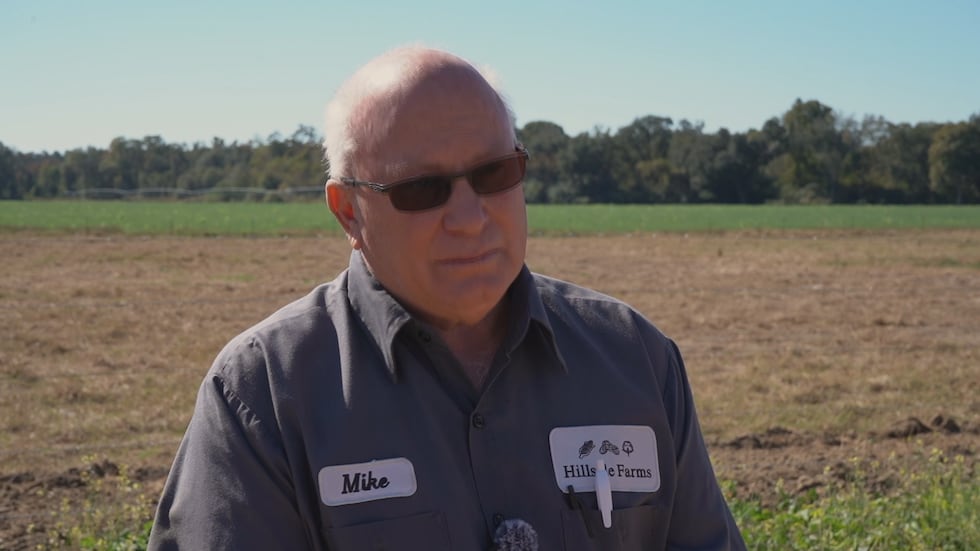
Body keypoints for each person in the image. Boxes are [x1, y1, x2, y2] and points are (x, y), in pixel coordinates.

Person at [148, 46, 746, 550]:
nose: (468, 217)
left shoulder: (634, 358)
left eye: (493, 174)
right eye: (422, 189)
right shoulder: (264, 394)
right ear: (349, 212)